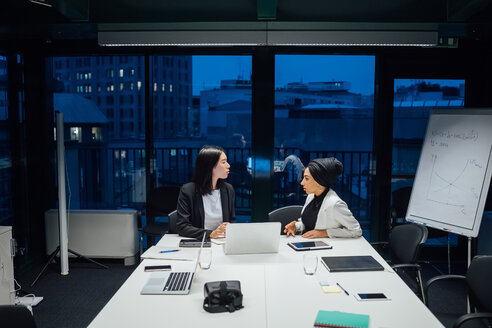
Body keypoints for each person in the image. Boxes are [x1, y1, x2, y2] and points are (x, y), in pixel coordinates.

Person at [283, 157, 362, 238]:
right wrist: (296, 227)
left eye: (306, 178)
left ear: (319, 181)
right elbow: (308, 224)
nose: (302, 182)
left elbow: (356, 230)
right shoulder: (311, 197)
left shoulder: (335, 204)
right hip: (307, 243)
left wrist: (326, 233)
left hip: (326, 247)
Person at [176, 145, 235, 239]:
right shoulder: (188, 190)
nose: (228, 165)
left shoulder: (228, 189)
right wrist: (211, 234)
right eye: (223, 162)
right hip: (199, 242)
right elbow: (182, 227)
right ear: (210, 166)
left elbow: (232, 221)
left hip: (222, 242)